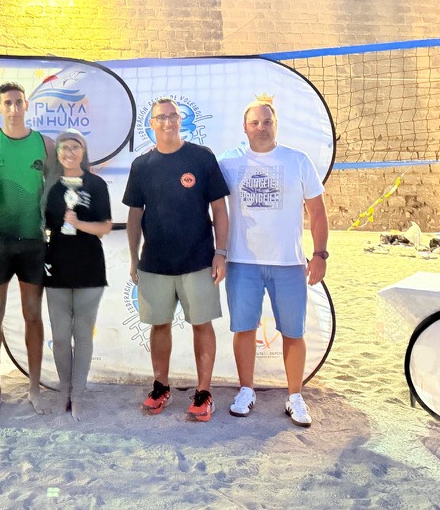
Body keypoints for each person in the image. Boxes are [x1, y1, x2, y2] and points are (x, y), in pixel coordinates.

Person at [218, 94, 328, 428]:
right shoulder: (227, 162)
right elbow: (209, 203)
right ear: (244, 127)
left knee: (293, 332)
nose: (261, 127)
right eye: (255, 122)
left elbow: (318, 212)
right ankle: (246, 390)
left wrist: (320, 254)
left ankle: (295, 396)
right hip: (242, 262)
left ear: (276, 124)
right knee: (243, 329)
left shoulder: (298, 161)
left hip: (289, 264)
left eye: (267, 121)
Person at [123, 97, 229, 422]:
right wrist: (133, 258)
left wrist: (221, 253)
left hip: (199, 260)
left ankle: (204, 393)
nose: (168, 122)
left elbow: (220, 210)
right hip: (155, 263)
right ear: (151, 123)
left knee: (202, 324)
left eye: (173, 116)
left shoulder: (202, 157)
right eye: (161, 117)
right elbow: (134, 216)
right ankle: (161, 387)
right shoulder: (142, 165)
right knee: (160, 325)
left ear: (181, 120)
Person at [0, 82, 55, 417]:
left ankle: (34, 388)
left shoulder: (45, 144)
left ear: (26, 105)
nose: (14, 108)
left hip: (33, 242)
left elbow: (57, 188)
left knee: (33, 315)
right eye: (7, 103)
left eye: (19, 102)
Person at [42, 129, 112, 421]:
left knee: (83, 335)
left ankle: (78, 395)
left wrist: (79, 223)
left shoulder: (96, 184)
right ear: (57, 152)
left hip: (89, 267)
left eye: (75, 147)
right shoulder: (50, 186)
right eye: (64, 147)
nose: (69, 152)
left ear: (83, 152)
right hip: (56, 266)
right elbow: (43, 223)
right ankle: (64, 392)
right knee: (60, 337)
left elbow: (105, 226)